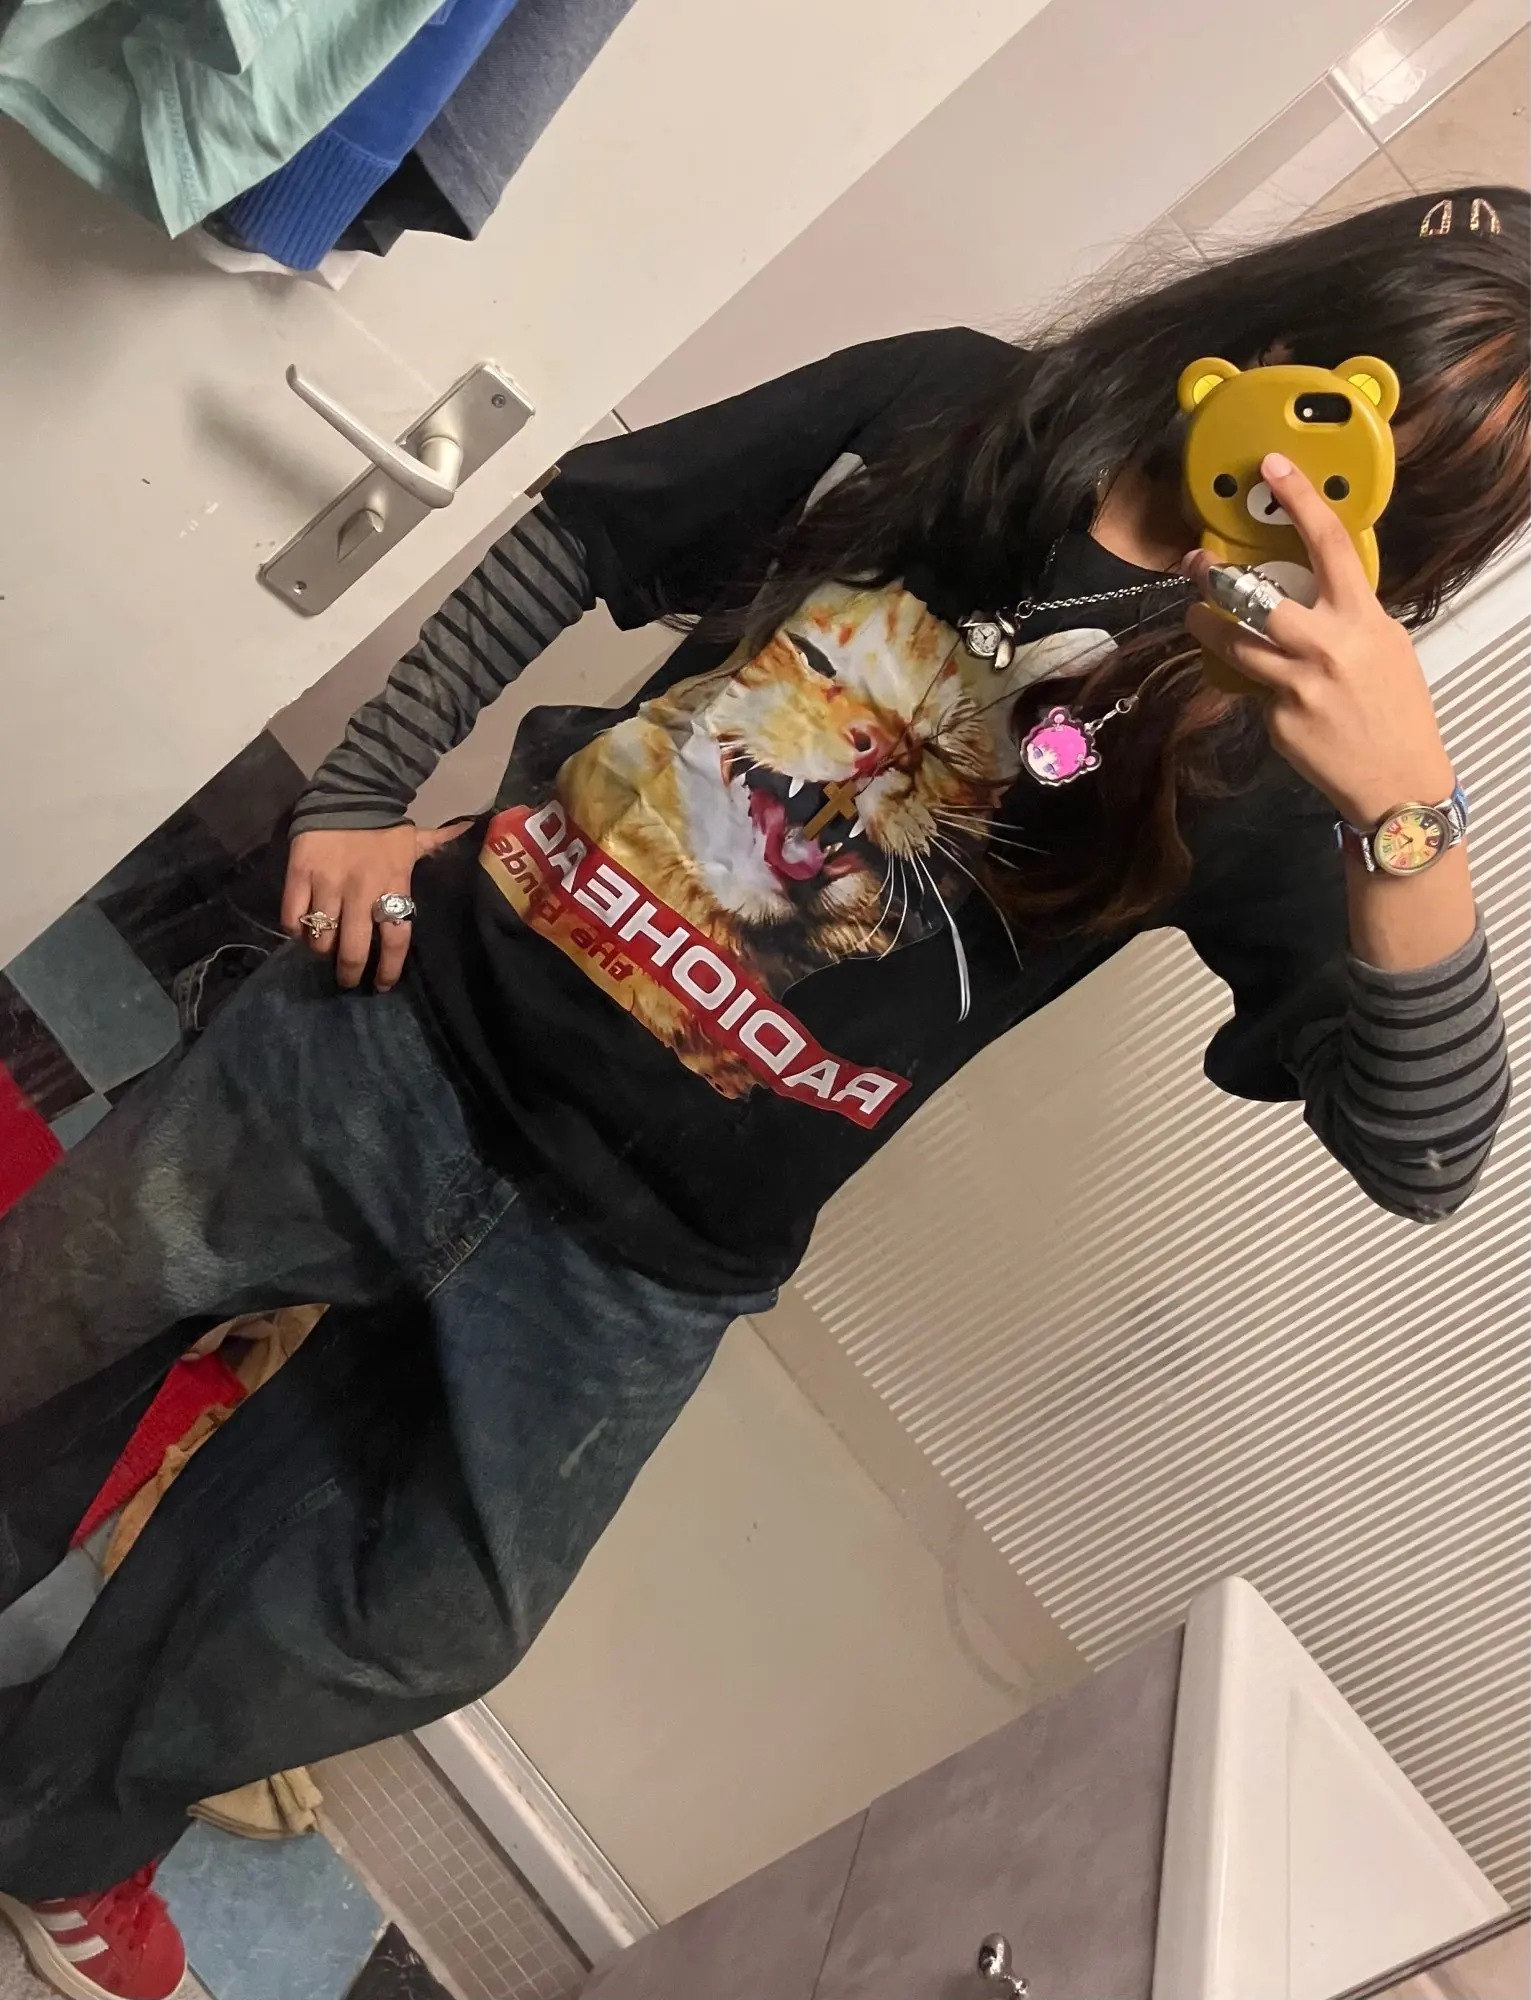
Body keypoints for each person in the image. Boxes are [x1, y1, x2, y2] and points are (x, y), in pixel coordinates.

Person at [0, 183, 1523, 2000]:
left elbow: (1425, 1151)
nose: (1331, 479)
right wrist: (355, 791)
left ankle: (47, 1826)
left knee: (397, 1623)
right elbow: (594, 526)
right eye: (1357, 401)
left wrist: (1404, 807)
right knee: (46, 1329)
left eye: (1434, 485)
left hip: (641, 1260)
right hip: (403, 1026)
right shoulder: (947, 408)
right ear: (1277, 341)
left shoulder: (1276, 761)